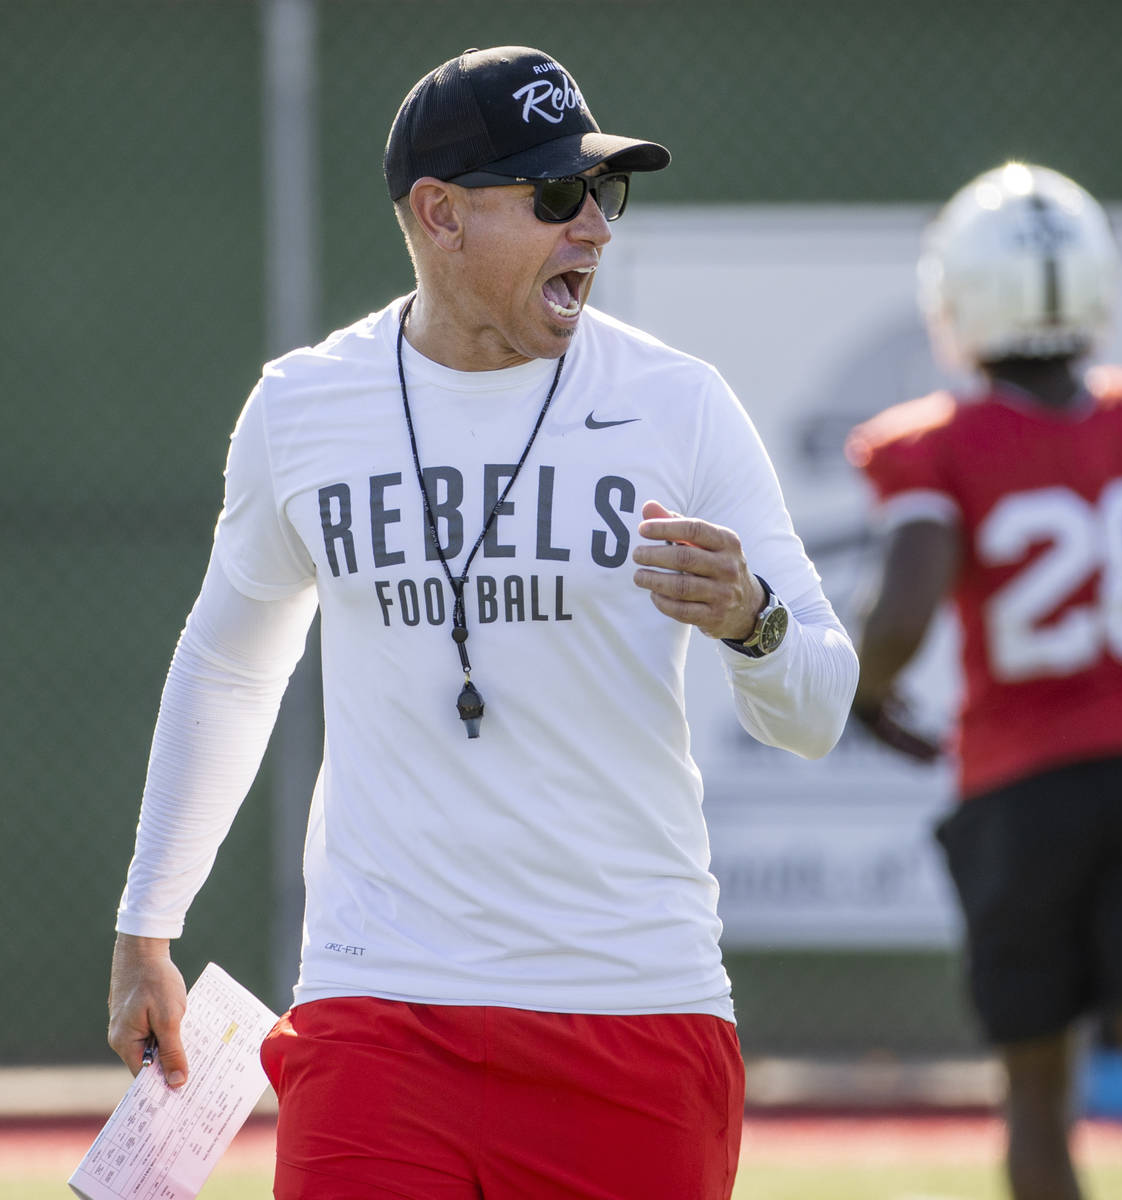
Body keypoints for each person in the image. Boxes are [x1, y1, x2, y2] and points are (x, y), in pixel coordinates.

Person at [106, 45, 857, 1200]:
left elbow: (817, 705)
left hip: (635, 1013)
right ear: (437, 214)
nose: (595, 231)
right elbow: (229, 664)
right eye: (556, 197)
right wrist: (146, 925)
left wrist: (751, 622)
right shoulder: (302, 406)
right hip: (379, 1009)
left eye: (603, 193)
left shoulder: (677, 402)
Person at [845, 162, 1122, 1200]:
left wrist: (860, 692)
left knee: (1033, 1086)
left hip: (1022, 790)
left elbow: (900, 615)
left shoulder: (935, 443)